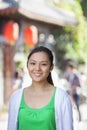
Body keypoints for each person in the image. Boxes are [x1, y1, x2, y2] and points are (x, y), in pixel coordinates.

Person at [7, 46, 73, 130]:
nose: (37, 68)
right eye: (33, 63)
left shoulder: (61, 97)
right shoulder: (16, 97)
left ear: (51, 67)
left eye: (43, 64)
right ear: (27, 65)